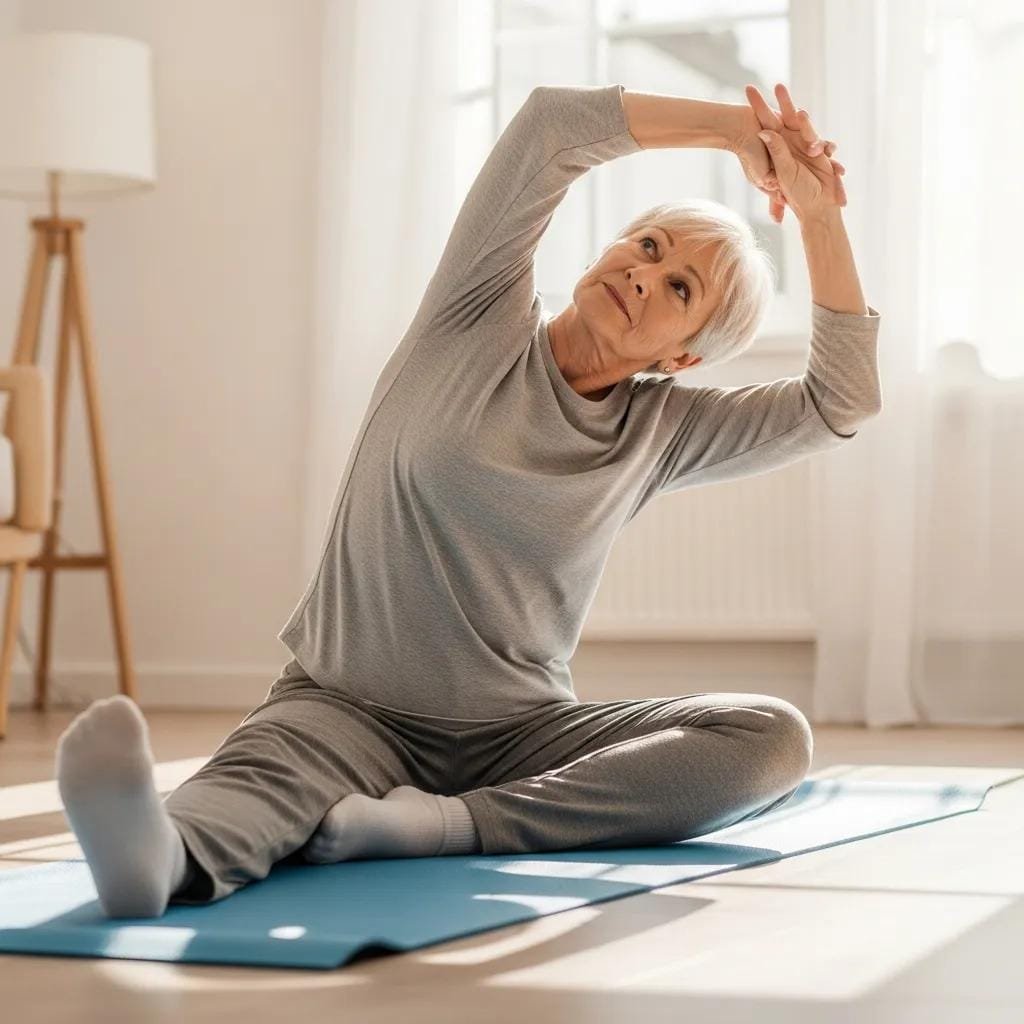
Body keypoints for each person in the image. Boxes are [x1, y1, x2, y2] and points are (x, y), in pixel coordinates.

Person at [55, 82, 881, 919]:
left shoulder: (662, 429)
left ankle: (448, 826)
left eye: (678, 290)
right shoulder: (475, 314)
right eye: (647, 244)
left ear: (681, 360)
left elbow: (839, 401)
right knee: (258, 780)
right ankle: (158, 860)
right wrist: (741, 132)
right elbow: (553, 125)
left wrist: (816, 213)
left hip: (516, 739)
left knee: (768, 737)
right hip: (347, 706)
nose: (644, 272)